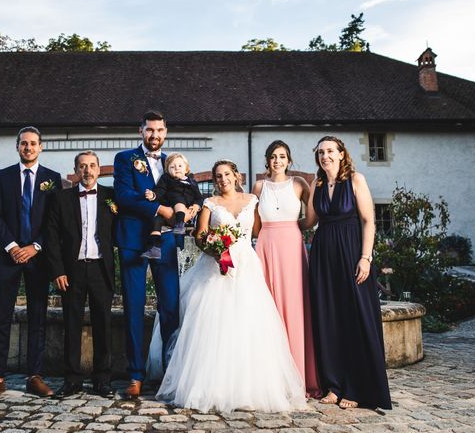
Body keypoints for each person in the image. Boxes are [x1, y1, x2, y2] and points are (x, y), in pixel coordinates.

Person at [153, 160, 307, 413]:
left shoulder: (252, 201)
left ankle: (248, 387)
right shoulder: (209, 204)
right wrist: (213, 249)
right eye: (218, 176)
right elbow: (200, 234)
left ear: (236, 176)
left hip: (246, 266)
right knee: (215, 324)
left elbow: (256, 230)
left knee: (248, 323)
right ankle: (211, 386)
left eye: (227, 174)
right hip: (216, 267)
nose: (223, 179)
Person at [302, 136, 391, 410]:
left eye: (330, 151)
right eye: (320, 152)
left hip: (352, 253)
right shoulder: (316, 184)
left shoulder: (356, 179)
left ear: (342, 154)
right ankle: (333, 385)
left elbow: (369, 221)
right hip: (323, 256)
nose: (325, 156)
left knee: (355, 318)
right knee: (327, 318)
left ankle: (356, 387)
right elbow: (309, 222)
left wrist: (366, 258)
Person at [0, 126, 62, 400]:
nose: (28, 148)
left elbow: (53, 221)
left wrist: (35, 247)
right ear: (17, 147)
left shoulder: (53, 179)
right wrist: (13, 247)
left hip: (37, 258)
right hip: (7, 257)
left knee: (38, 318)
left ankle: (34, 377)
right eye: (24, 143)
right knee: (2, 317)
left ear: (41, 147)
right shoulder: (2, 177)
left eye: (33, 143)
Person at [113, 110, 194, 399]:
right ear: (141, 131)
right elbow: (123, 196)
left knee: (170, 306)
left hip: (169, 241)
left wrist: (193, 209)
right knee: (134, 307)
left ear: (166, 132)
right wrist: (160, 210)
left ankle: (171, 373)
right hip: (134, 240)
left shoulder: (177, 163)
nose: (155, 135)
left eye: (159, 130)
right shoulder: (124, 159)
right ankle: (135, 375)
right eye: (150, 130)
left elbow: (190, 191)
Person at [44, 151, 117, 399]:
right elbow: (51, 237)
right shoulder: (61, 198)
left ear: (99, 169)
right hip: (71, 271)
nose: (87, 170)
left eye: (92, 166)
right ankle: (72, 379)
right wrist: (57, 271)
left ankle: (102, 380)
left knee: (103, 325)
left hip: (100, 269)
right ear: (76, 171)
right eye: (82, 166)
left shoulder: (111, 197)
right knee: (72, 325)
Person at [253, 140, 321, 398]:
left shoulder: (299, 184)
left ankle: (300, 378)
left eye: (282, 156)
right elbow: (255, 226)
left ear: (289, 160)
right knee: (268, 308)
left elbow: (312, 218)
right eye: (273, 156)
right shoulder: (259, 186)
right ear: (267, 160)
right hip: (266, 247)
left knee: (295, 308)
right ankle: (271, 378)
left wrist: (293, 229)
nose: (277, 160)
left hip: (292, 248)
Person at [141, 152, 204, 259]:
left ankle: (180, 226)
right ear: (167, 170)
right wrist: (153, 195)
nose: (176, 168)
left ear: (186, 169)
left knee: (179, 201)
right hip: (169, 208)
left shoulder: (191, 182)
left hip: (185, 209)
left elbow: (199, 197)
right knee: (156, 221)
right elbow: (160, 190)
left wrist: (197, 206)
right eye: (172, 167)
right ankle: (155, 248)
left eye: (180, 166)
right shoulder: (166, 179)